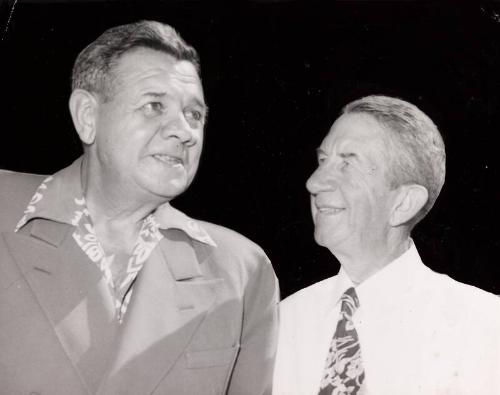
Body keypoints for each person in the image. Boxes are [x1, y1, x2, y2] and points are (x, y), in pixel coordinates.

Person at [0, 20, 278, 395]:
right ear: (87, 116)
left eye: (195, 114)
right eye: (154, 105)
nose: (184, 131)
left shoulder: (241, 270)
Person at [273, 95, 500, 395]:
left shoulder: (484, 327)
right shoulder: (283, 321)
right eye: (323, 160)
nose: (314, 183)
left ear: (403, 204)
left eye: (347, 164)